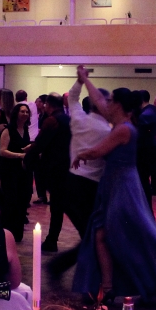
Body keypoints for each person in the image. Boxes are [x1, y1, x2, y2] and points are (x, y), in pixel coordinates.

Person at [72, 70, 156, 301]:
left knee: (122, 236)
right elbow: (98, 100)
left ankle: (145, 282)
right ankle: (109, 286)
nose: (106, 103)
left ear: (118, 105)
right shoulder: (120, 123)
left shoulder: (123, 129)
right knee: (102, 234)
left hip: (123, 187)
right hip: (114, 184)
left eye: (110, 100)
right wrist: (85, 79)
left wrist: (80, 154)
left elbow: (99, 151)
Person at [48, 69, 112, 276]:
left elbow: (72, 98)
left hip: (70, 183)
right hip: (89, 188)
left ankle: (63, 268)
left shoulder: (79, 119)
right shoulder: (107, 131)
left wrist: (79, 81)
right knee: (91, 235)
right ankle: (61, 267)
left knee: (90, 234)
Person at [28, 93, 71, 251]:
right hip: (66, 166)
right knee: (59, 206)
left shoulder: (52, 120)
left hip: (53, 168)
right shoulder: (68, 119)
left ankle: (52, 240)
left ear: (49, 105)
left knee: (57, 206)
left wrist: (27, 159)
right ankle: (52, 239)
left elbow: (40, 144)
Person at [0, 103, 34, 241]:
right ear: (16, 113)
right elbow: (2, 151)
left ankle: (17, 233)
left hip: (23, 171)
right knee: (11, 201)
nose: (25, 114)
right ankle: (6, 233)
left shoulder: (26, 129)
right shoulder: (8, 130)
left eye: (27, 112)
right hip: (10, 170)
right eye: (22, 111)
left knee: (22, 200)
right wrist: (20, 155)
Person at [135, 90, 156, 204]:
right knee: (144, 180)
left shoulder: (145, 114)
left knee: (143, 180)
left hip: (144, 151)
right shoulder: (151, 110)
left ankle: (146, 208)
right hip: (148, 149)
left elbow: (139, 134)